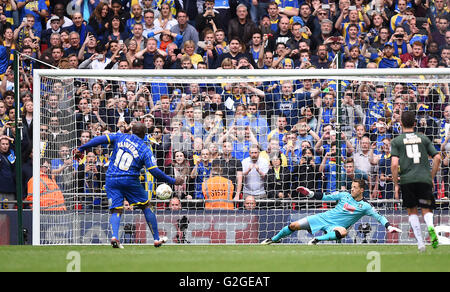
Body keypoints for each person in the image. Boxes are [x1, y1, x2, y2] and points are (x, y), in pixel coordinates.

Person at [74, 122, 183, 248]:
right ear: (144, 134)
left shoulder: (120, 137)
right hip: (130, 179)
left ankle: (114, 236)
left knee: (116, 209)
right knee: (146, 206)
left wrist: (82, 148)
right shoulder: (144, 148)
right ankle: (156, 239)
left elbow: (100, 139)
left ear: (131, 131)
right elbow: (154, 171)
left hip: (112, 178)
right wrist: (173, 181)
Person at [261, 179, 402, 245]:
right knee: (293, 226)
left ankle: (316, 240)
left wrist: (389, 227)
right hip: (322, 218)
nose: (351, 189)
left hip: (334, 226)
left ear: (361, 190)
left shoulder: (365, 205)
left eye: (354, 188)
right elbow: (324, 196)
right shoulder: (343, 195)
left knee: (343, 232)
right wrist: (309, 193)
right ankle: (273, 239)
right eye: (351, 187)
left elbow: (379, 216)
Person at [391, 111, 441, 252]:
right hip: (424, 179)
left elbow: (394, 164)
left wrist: (396, 184)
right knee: (426, 209)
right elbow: (437, 157)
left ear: (401, 123)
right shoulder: (423, 138)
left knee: (412, 211)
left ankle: (420, 244)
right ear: (415, 123)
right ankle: (431, 228)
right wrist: (431, 176)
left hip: (408, 180)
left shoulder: (397, 141)